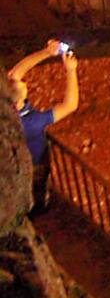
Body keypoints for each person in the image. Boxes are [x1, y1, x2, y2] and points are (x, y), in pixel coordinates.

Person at [8, 39, 80, 211]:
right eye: (24, 87)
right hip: (34, 165)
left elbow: (16, 74)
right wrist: (71, 71)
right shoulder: (32, 122)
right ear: (18, 102)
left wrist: (47, 52)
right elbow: (70, 105)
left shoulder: (8, 108)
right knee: (35, 193)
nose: (24, 83)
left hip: (14, 165)